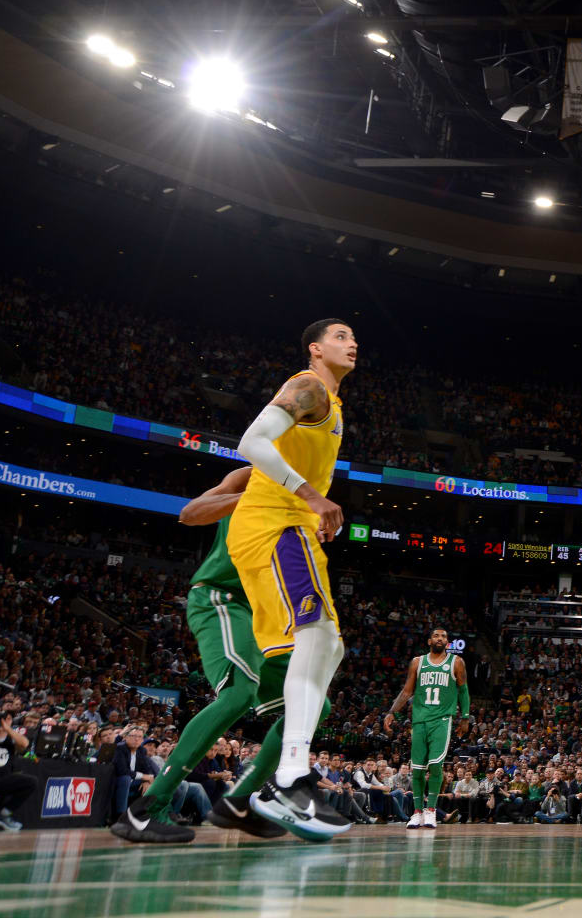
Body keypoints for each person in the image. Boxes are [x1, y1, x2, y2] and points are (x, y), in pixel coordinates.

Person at [111, 468, 294, 844]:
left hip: (266, 615)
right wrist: (250, 499)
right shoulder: (252, 476)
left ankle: (238, 801)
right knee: (239, 694)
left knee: (309, 705)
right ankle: (145, 810)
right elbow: (191, 513)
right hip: (224, 598)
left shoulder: (313, 489)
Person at [229, 319, 357, 840]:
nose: (352, 343)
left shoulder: (332, 402)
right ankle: (288, 778)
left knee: (329, 646)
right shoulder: (306, 385)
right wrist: (312, 496)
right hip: (276, 522)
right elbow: (251, 441)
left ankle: (293, 774)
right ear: (316, 347)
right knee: (316, 637)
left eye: (354, 337)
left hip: (295, 529)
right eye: (342, 335)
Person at [384, 628, 470, 830]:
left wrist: (465, 717)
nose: (440, 638)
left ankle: (431, 811)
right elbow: (407, 691)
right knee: (417, 770)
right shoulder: (418, 662)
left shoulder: (456, 662)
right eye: (437, 636)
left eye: (444, 636)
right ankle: (416, 812)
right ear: (430, 640)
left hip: (441, 720)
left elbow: (463, 690)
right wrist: (391, 712)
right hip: (419, 721)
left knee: (435, 766)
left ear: (447, 642)